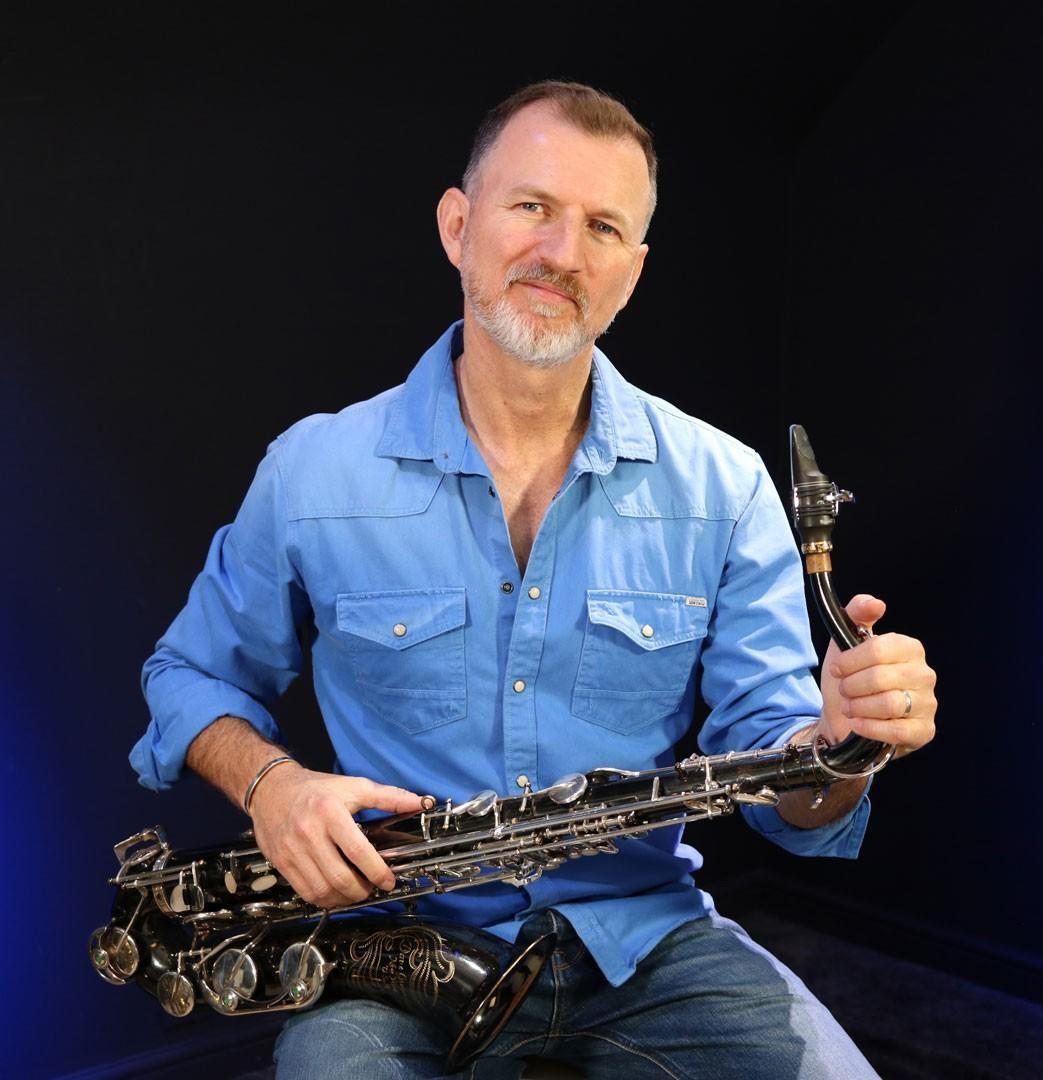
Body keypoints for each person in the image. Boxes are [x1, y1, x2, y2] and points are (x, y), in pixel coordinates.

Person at [132, 81, 937, 1078]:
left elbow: (794, 799)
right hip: (393, 953)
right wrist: (272, 785)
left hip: (648, 945)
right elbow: (187, 676)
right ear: (457, 226)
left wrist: (846, 746)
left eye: (603, 227)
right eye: (532, 206)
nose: (562, 252)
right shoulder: (313, 471)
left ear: (631, 273)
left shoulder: (724, 485)